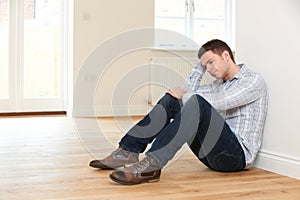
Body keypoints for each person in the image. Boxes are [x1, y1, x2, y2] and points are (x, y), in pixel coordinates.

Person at [89, 39, 268, 185]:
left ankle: (151, 165)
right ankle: (127, 151)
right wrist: (200, 67)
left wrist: (185, 94)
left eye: (211, 62)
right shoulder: (217, 86)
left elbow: (220, 102)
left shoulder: (252, 81)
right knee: (172, 100)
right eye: (206, 66)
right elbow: (185, 95)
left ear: (226, 56)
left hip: (236, 156)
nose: (210, 70)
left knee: (194, 101)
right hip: (211, 156)